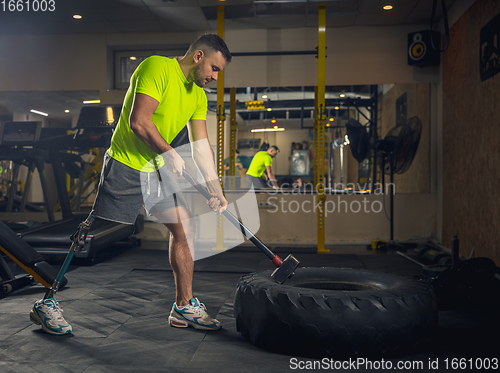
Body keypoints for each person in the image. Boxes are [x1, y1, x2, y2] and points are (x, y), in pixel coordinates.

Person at [30, 34, 232, 335]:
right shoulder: (156, 68)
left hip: (157, 171)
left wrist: (216, 190)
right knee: (95, 231)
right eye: (214, 69)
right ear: (199, 56)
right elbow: (139, 121)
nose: (215, 77)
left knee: (184, 226)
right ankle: (47, 303)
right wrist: (170, 152)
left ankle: (183, 306)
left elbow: (202, 147)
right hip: (126, 164)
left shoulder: (198, 97)